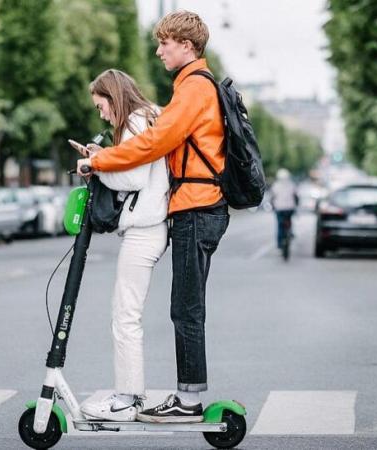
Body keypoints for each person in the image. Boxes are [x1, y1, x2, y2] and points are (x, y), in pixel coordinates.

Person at [76, 10, 227, 424]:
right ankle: (183, 396)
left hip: (198, 206)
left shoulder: (195, 88)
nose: (158, 50)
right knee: (183, 306)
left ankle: (188, 400)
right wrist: (103, 158)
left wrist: (100, 161)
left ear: (187, 45)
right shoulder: (187, 88)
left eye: (165, 43)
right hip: (191, 208)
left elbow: (154, 145)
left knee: (186, 309)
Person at [70, 69, 169, 422]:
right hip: (149, 228)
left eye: (101, 106)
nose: (101, 114)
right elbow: (131, 163)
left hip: (144, 229)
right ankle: (130, 395)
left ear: (114, 97)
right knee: (126, 314)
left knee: (125, 316)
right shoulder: (147, 117)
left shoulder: (135, 121)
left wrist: (95, 165)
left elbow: (133, 176)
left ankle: (127, 399)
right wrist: (105, 156)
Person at [270, 168, 297, 249]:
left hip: (279, 208)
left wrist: (272, 206)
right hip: (290, 208)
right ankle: (290, 232)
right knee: (289, 221)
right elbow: (296, 196)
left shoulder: (275, 185)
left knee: (279, 226)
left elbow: (272, 197)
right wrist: (296, 205)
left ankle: (279, 244)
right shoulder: (292, 184)